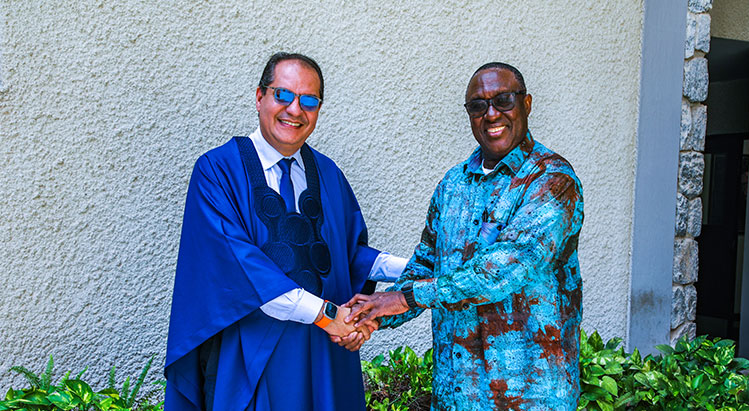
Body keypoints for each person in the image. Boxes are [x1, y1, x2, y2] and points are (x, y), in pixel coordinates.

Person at [164, 52, 405, 410]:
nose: (295, 109)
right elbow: (240, 269)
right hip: (254, 356)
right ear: (259, 96)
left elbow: (348, 256)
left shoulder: (328, 173)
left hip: (327, 356)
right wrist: (329, 316)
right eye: (283, 95)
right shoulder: (217, 171)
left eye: (309, 100)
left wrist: (422, 266)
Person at [345, 62, 584, 410]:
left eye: (503, 100)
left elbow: (501, 271)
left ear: (526, 104)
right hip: (456, 394)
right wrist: (371, 315)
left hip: (529, 396)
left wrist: (405, 299)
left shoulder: (552, 180)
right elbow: (425, 265)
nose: (491, 114)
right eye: (478, 105)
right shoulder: (453, 185)